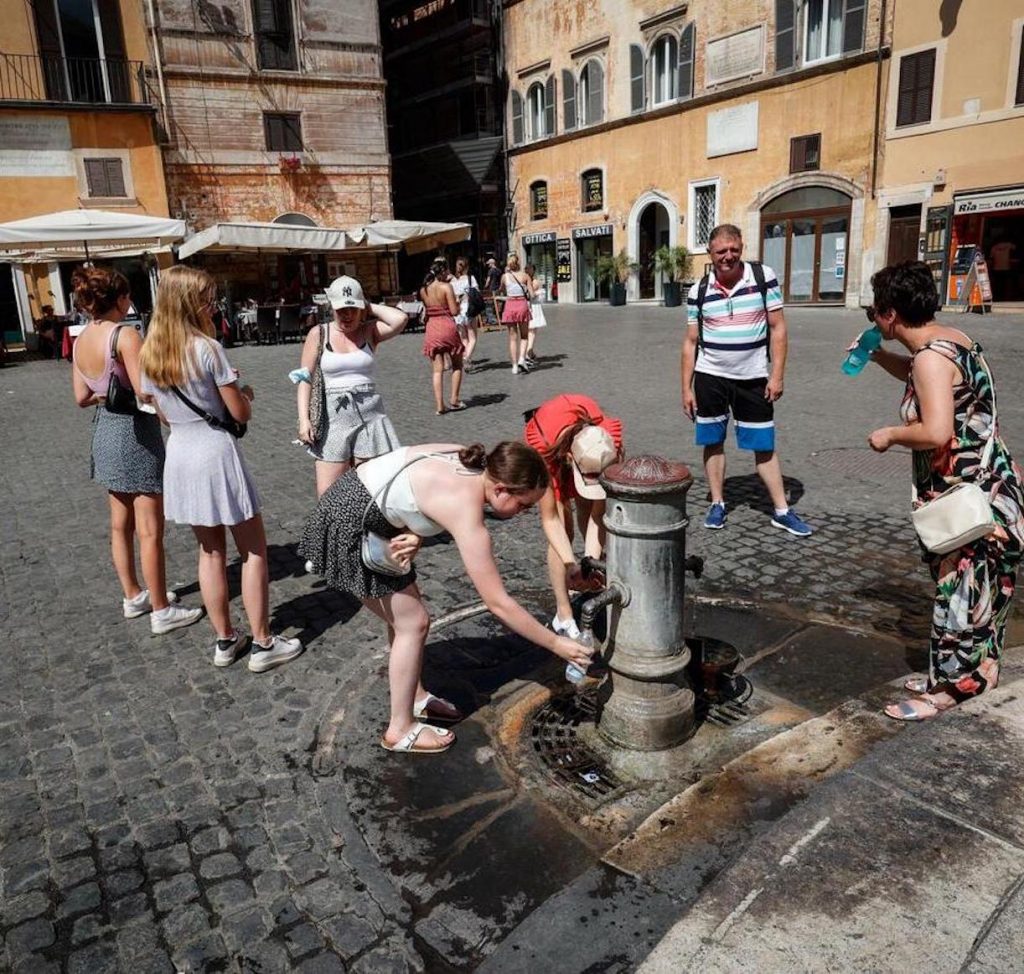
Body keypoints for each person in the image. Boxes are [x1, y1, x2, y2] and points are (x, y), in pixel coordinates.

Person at [298, 441, 594, 754]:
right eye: (523, 505)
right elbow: (498, 603)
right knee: (413, 624)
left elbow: (414, 487)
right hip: (348, 526)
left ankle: (415, 696)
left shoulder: (469, 457)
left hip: (356, 507)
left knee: (403, 615)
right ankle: (399, 730)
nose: (524, 513)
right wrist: (555, 643)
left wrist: (415, 531)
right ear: (502, 490)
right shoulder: (465, 510)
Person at [862, 261, 1024, 721]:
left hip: (967, 497)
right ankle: (978, 672)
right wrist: (876, 357)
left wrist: (891, 435)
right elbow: (923, 376)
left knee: (960, 594)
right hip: (992, 487)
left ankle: (947, 692)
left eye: (875, 311)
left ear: (890, 314)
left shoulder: (930, 358)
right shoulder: (950, 341)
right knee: (983, 593)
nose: (873, 319)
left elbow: (936, 430)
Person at [139, 266, 304, 673]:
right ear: (192, 303)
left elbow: (161, 415)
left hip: (181, 451)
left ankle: (225, 639)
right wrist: (243, 392)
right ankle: (264, 642)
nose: (213, 306)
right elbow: (238, 412)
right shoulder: (207, 348)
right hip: (215, 453)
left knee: (210, 551)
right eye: (208, 299)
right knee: (253, 549)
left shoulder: (150, 353)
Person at [69, 265, 203, 634]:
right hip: (135, 433)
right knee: (149, 529)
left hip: (105, 430)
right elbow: (147, 391)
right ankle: (161, 608)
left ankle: (133, 595)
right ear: (121, 298)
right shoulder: (125, 336)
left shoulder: (81, 339)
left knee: (119, 524)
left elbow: (81, 397)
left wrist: (107, 392)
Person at [680, 223, 813, 537]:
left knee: (763, 444)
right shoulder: (697, 291)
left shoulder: (763, 277)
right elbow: (690, 342)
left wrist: (777, 375)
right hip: (710, 376)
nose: (728, 257)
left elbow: (778, 328)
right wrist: (685, 387)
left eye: (733, 250)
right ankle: (717, 503)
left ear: (741, 248)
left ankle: (781, 509)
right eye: (721, 252)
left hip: (753, 376)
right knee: (712, 441)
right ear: (710, 254)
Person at [297, 275, 408, 498]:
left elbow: (401, 318)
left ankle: (368, 533)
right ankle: (335, 533)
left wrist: (367, 305)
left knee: (372, 490)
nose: (347, 315)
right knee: (328, 495)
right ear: (331, 308)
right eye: (340, 309)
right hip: (333, 420)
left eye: (352, 309)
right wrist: (304, 419)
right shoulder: (319, 334)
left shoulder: (369, 331)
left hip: (370, 417)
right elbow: (304, 378)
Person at [524, 395, 623, 639]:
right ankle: (564, 614)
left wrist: (589, 563)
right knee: (563, 527)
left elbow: (598, 516)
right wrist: (570, 563)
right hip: (549, 442)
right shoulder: (542, 448)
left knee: (588, 508)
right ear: (570, 460)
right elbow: (550, 520)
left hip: (581, 449)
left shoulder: (609, 442)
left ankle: (586, 575)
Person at [419, 258, 465, 414]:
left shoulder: (424, 290)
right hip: (447, 327)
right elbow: (454, 311)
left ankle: (439, 406)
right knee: (457, 365)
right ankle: (455, 399)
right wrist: (458, 301)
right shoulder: (446, 287)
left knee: (437, 370)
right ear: (444, 271)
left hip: (432, 328)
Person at [499, 254, 535, 375]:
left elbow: (502, 290)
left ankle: (514, 366)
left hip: (510, 306)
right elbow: (532, 294)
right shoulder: (525, 276)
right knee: (524, 336)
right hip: (522, 305)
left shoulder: (505, 277)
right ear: (518, 263)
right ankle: (522, 359)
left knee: (512, 338)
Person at [451, 257, 480, 371]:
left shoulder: (453, 282)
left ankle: (467, 358)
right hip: (469, 309)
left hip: (458, 312)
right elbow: (477, 292)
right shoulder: (470, 279)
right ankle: (466, 358)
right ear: (467, 267)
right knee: (473, 338)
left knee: (463, 337)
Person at [524, 263, 547, 365]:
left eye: (529, 269)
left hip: (529, 306)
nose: (528, 270)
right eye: (527, 269)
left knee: (529, 331)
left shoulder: (525, 281)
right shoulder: (533, 281)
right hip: (532, 307)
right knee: (531, 331)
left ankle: (530, 352)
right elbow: (531, 294)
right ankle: (528, 353)